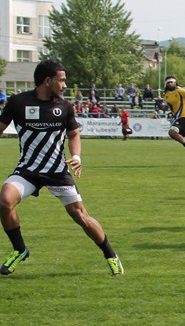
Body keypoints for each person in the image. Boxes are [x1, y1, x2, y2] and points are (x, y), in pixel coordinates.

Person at [0, 60, 123, 276]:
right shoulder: (18, 103)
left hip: (57, 171)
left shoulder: (64, 107)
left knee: (81, 216)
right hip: (28, 170)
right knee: (4, 202)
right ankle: (20, 250)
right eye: (62, 80)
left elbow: (74, 134)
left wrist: (76, 156)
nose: (65, 85)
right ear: (48, 81)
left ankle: (111, 255)